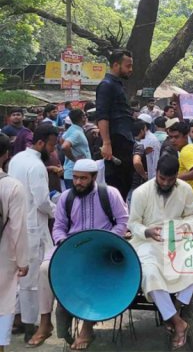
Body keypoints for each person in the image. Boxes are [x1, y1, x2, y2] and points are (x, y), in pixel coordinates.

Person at [30, 159, 128, 349]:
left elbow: (122, 222)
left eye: (83, 178)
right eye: (75, 178)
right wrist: (63, 242)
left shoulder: (109, 194)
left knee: (95, 275)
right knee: (43, 269)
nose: (78, 182)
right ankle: (44, 323)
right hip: (71, 249)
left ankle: (87, 328)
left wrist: (107, 240)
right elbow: (58, 227)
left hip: (102, 251)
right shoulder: (66, 197)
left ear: (94, 177)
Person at [128, 154, 193, 350]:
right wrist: (147, 231)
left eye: (170, 180)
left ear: (176, 177)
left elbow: (190, 215)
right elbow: (133, 223)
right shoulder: (141, 192)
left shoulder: (185, 189)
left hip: (177, 238)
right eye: (162, 179)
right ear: (156, 174)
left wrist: (186, 228)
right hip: (148, 241)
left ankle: (176, 309)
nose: (165, 183)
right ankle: (179, 323)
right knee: (150, 273)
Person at [6, 124, 58, 343]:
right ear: (40, 143)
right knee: (32, 279)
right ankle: (30, 324)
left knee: (16, 278)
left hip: (14, 225)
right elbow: (42, 202)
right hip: (32, 227)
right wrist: (60, 211)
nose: (53, 150)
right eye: (51, 145)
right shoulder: (36, 166)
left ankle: (16, 319)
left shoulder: (16, 159)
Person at [0, 133, 29, 352]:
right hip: (4, 256)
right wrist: (22, 261)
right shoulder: (12, 186)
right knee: (2, 304)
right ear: (6, 155)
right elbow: (18, 228)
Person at [95, 49, 135, 200]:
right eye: (128, 66)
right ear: (116, 65)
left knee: (125, 183)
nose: (131, 69)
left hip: (125, 140)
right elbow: (102, 115)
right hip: (115, 141)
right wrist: (106, 142)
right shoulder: (106, 85)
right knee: (116, 187)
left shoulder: (118, 85)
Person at [61, 109, 90, 189]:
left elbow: (62, 140)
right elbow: (65, 146)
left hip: (73, 173)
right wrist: (74, 159)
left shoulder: (72, 129)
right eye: (85, 115)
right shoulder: (77, 133)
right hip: (75, 174)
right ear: (83, 118)